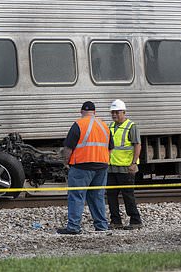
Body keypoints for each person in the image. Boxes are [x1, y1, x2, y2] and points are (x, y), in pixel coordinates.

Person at [57, 101, 113, 234]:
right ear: (95, 112)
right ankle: (101, 226)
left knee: (76, 196)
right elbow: (110, 148)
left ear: (81, 112)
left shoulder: (78, 124)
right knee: (97, 196)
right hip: (101, 166)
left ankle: (74, 227)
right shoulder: (104, 126)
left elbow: (68, 148)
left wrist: (66, 162)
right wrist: (104, 160)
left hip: (81, 166)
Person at [106, 99, 142, 230]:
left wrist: (133, 163)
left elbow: (137, 145)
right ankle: (116, 221)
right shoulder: (110, 126)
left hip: (126, 167)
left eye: (117, 112)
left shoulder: (131, 126)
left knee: (128, 195)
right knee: (111, 195)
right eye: (112, 112)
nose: (114, 114)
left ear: (124, 112)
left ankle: (135, 220)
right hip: (111, 167)